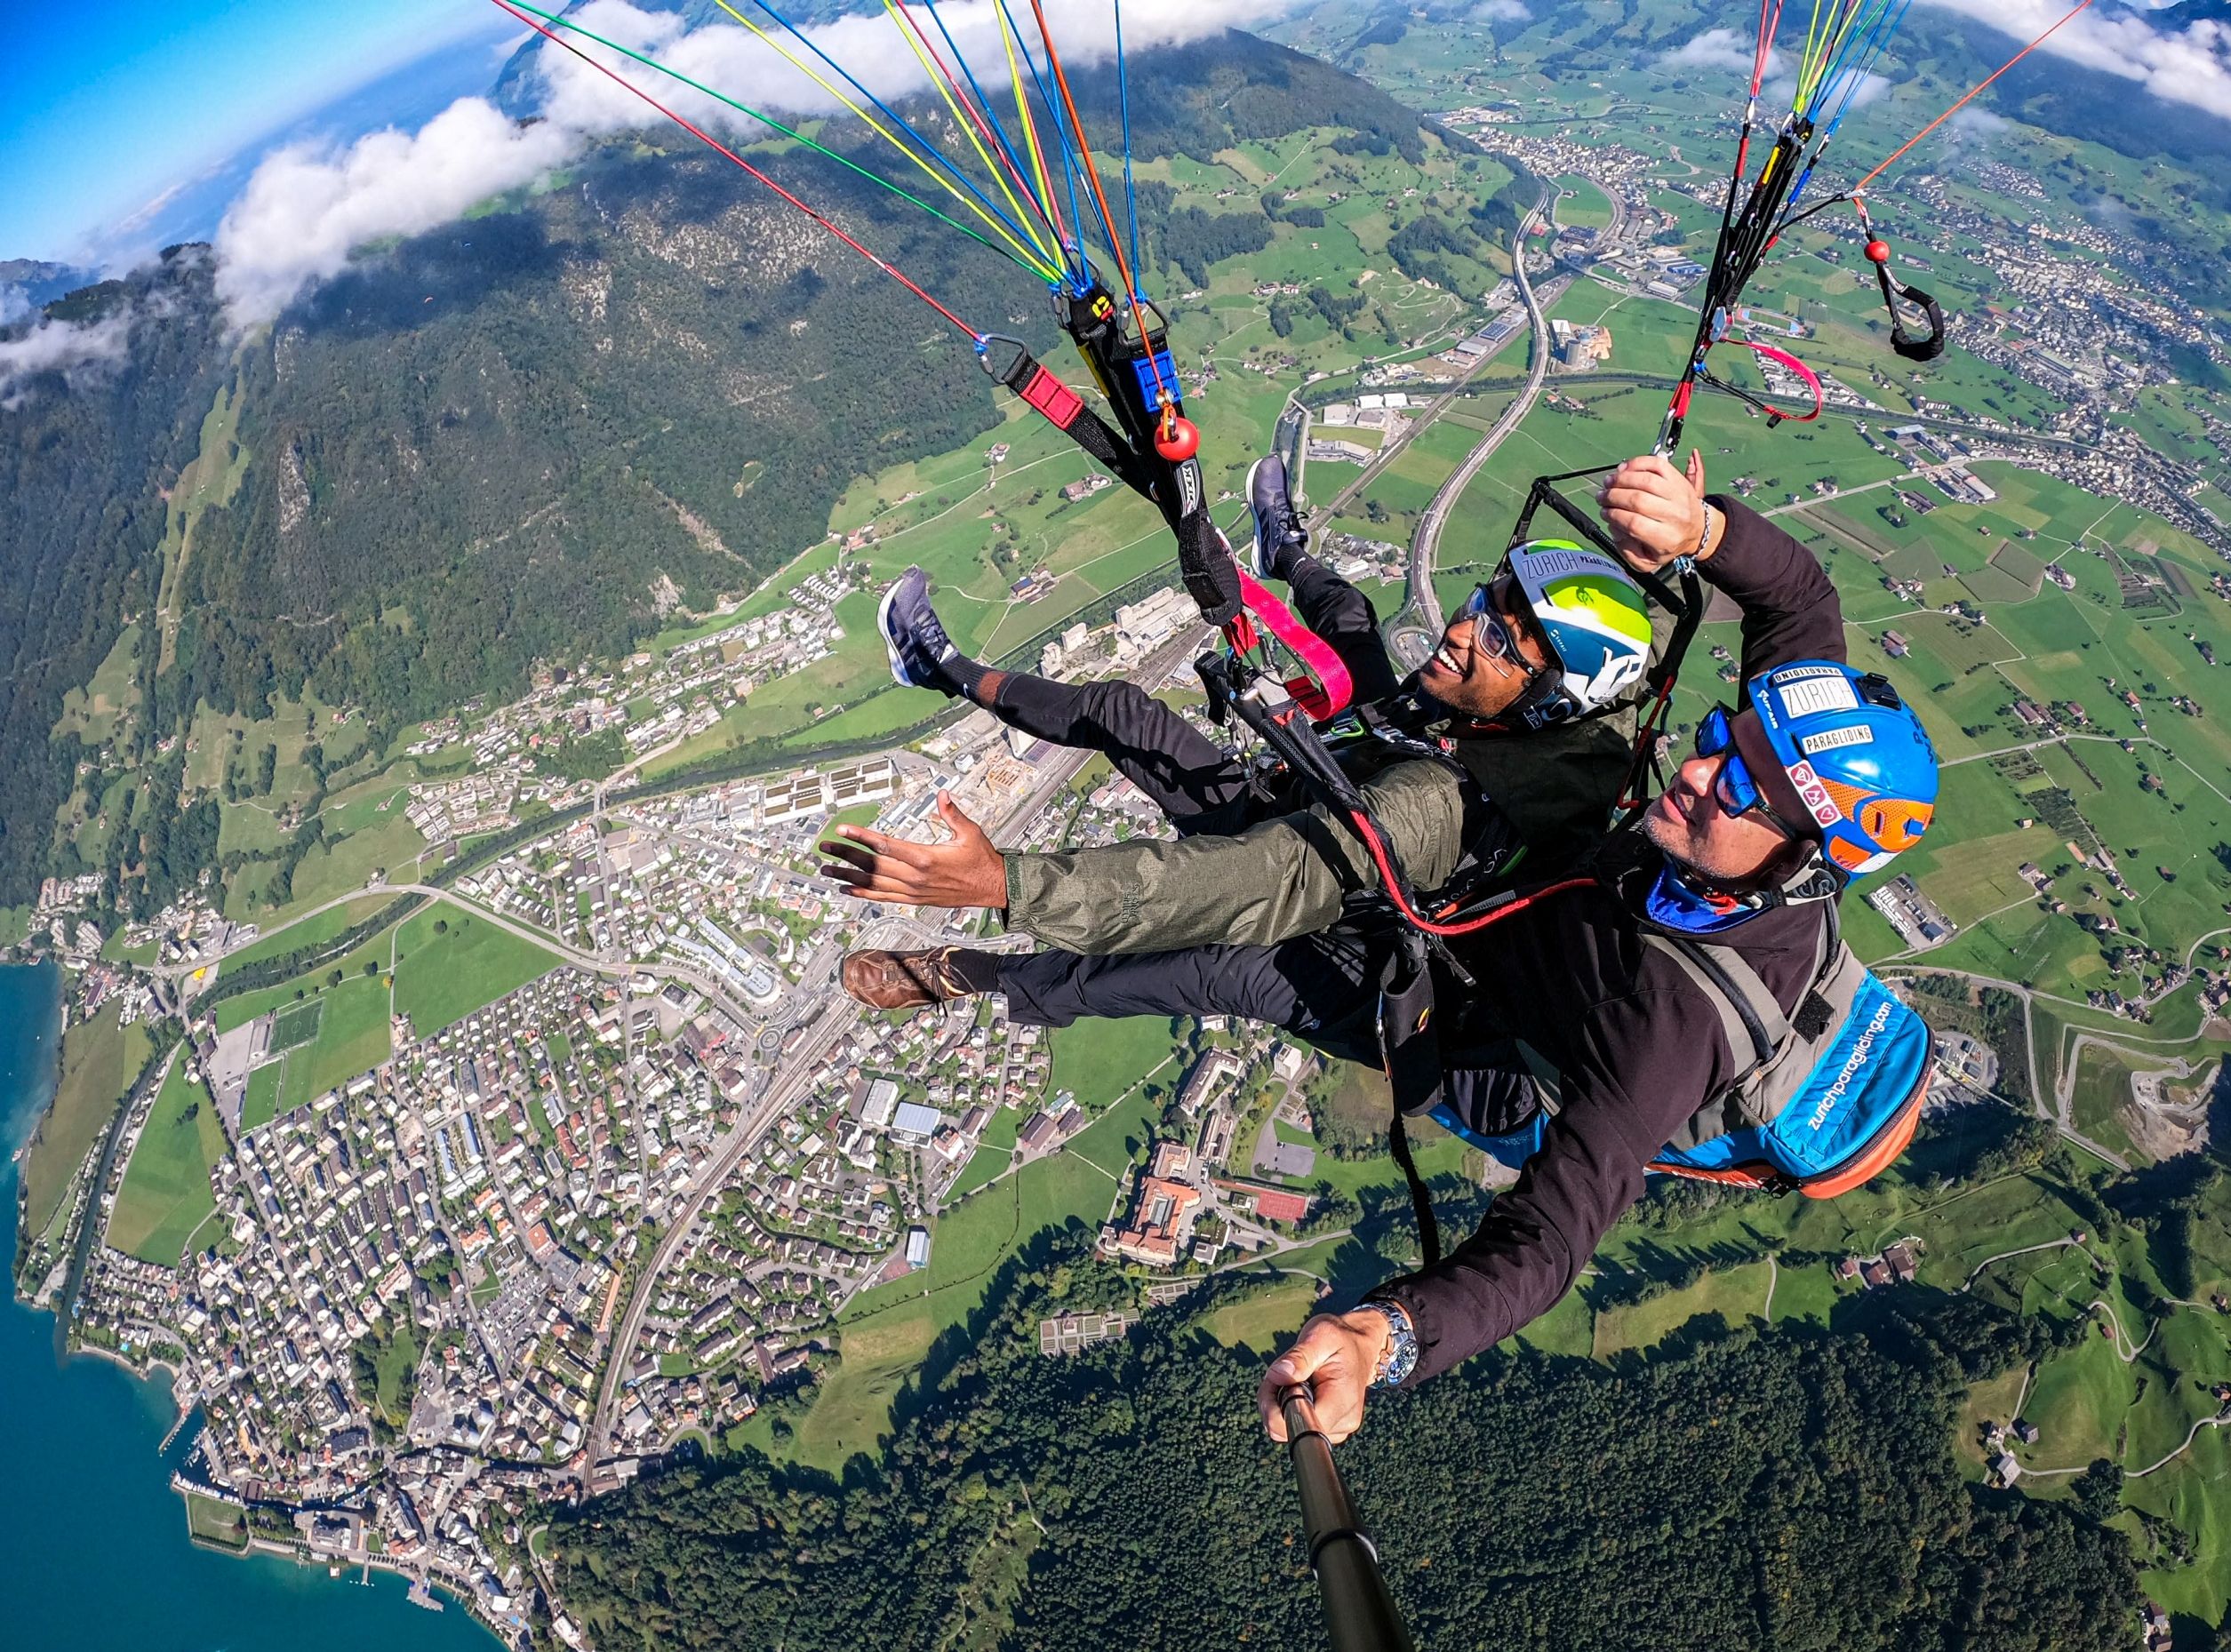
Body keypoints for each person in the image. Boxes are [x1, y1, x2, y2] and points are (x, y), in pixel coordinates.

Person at [823, 465, 1940, 1445]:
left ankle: (962, 974)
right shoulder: (1778, 787)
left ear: (1799, 856)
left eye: (1736, 784)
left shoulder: (1671, 1027)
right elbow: (1800, 600)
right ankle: (1218, 586)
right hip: (1487, 919)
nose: (1697, 772)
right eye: (1714, 741)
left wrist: (1387, 1334)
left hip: (1482, 1045)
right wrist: (1703, 533)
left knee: (1235, 966)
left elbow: (1548, 1240)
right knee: (1269, 843)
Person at [834, 451, 1671, 1033]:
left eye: (1498, 639)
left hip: (1344, 939)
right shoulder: (1580, 714)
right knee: (1333, 635)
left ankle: (950, 974)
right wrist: (1688, 539)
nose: (1462, 628)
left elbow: (1268, 876)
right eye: (1486, 601)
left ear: (1547, 696)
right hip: (1363, 780)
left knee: (1177, 965)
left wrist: (1010, 884)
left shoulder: (1434, 811)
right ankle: (944, 668)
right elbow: (1676, 631)